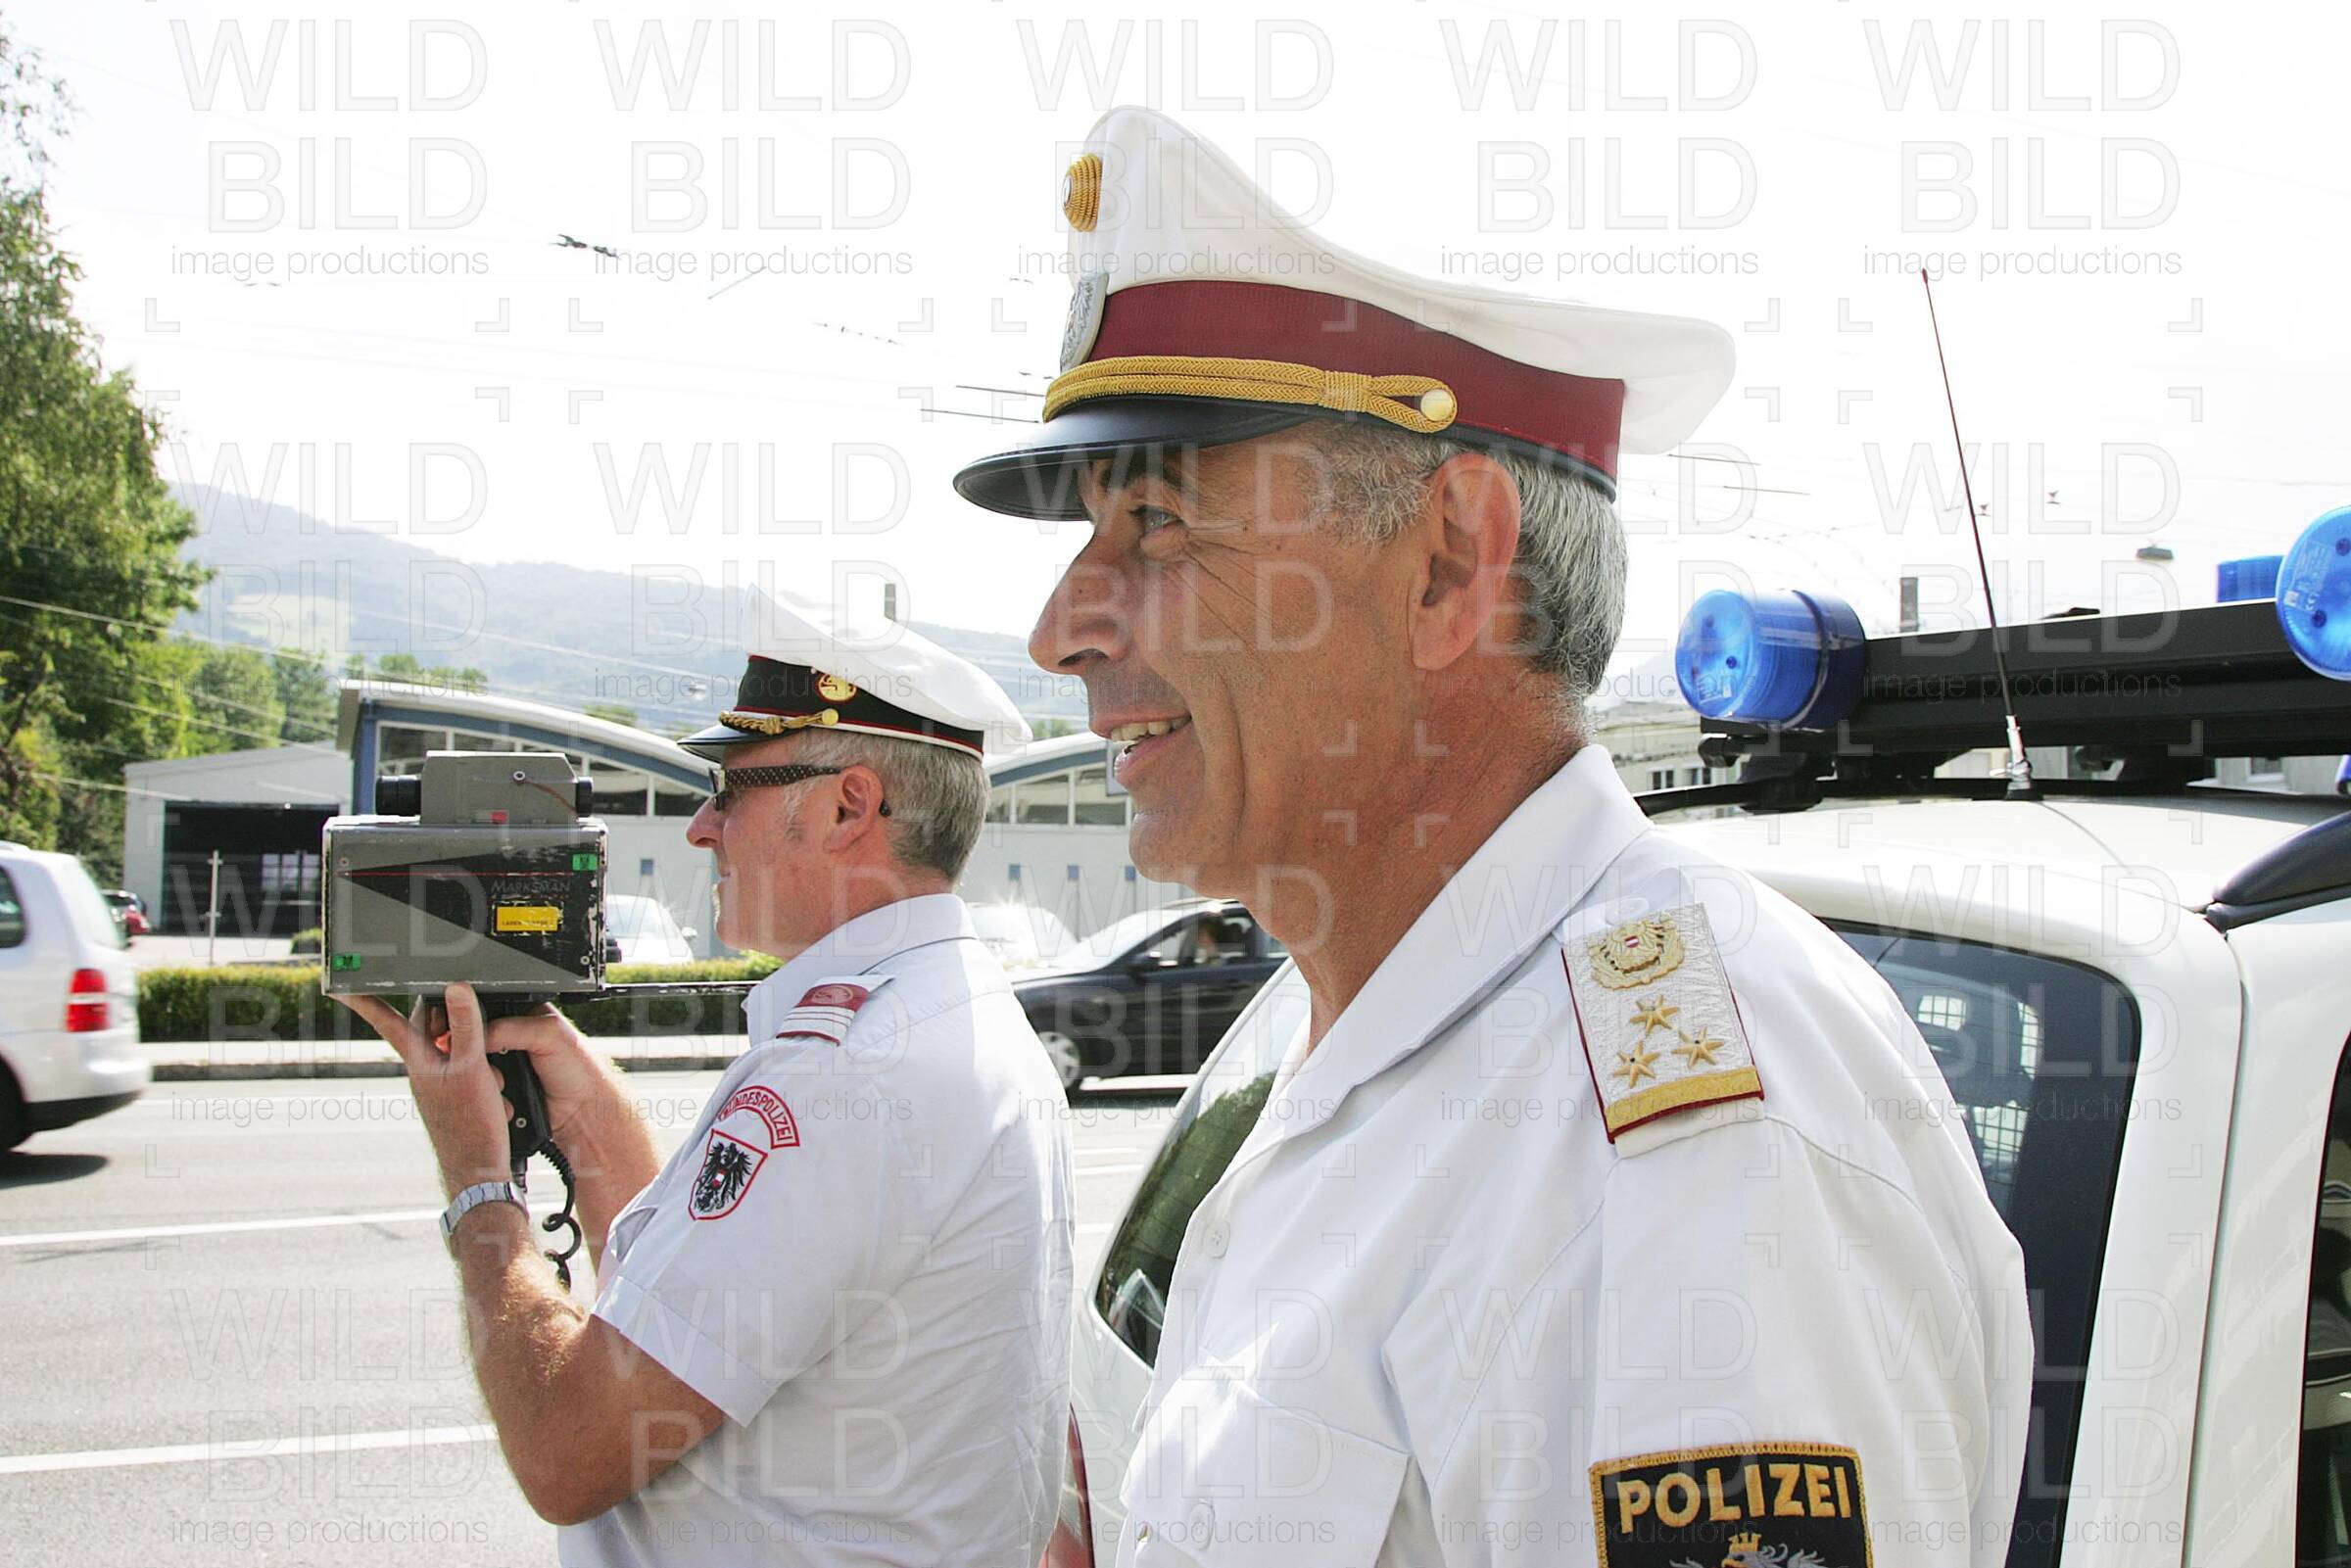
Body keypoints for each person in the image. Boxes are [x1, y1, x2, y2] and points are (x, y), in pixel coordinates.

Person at [957, 106, 2032, 1566]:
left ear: (1449, 565)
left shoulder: (1679, 1158)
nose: (1059, 628)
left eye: (1156, 519)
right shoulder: (1364, 1024)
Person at [337, 587, 1074, 1566]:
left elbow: (564, 1450)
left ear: (849, 805)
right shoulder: (948, 1012)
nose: (701, 825)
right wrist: (587, 1113)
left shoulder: (845, 1076)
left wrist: (480, 1185)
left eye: (730, 788)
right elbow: (709, 1306)